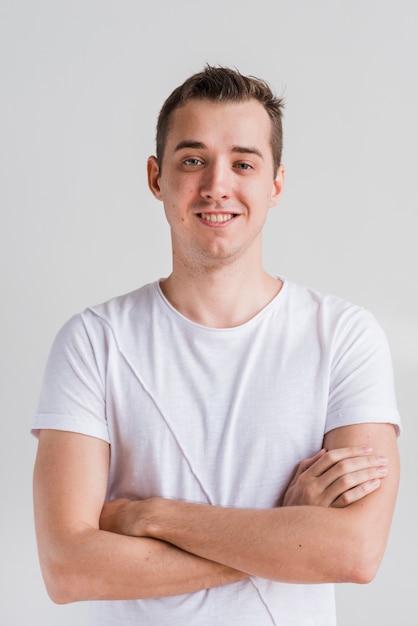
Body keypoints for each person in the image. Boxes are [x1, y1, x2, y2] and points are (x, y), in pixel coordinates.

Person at [32, 66, 401, 625]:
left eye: (243, 163)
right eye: (192, 160)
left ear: (275, 183)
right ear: (157, 178)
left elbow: (352, 552)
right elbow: (69, 569)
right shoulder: (93, 342)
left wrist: (156, 516)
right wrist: (288, 528)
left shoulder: (344, 336)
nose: (216, 186)